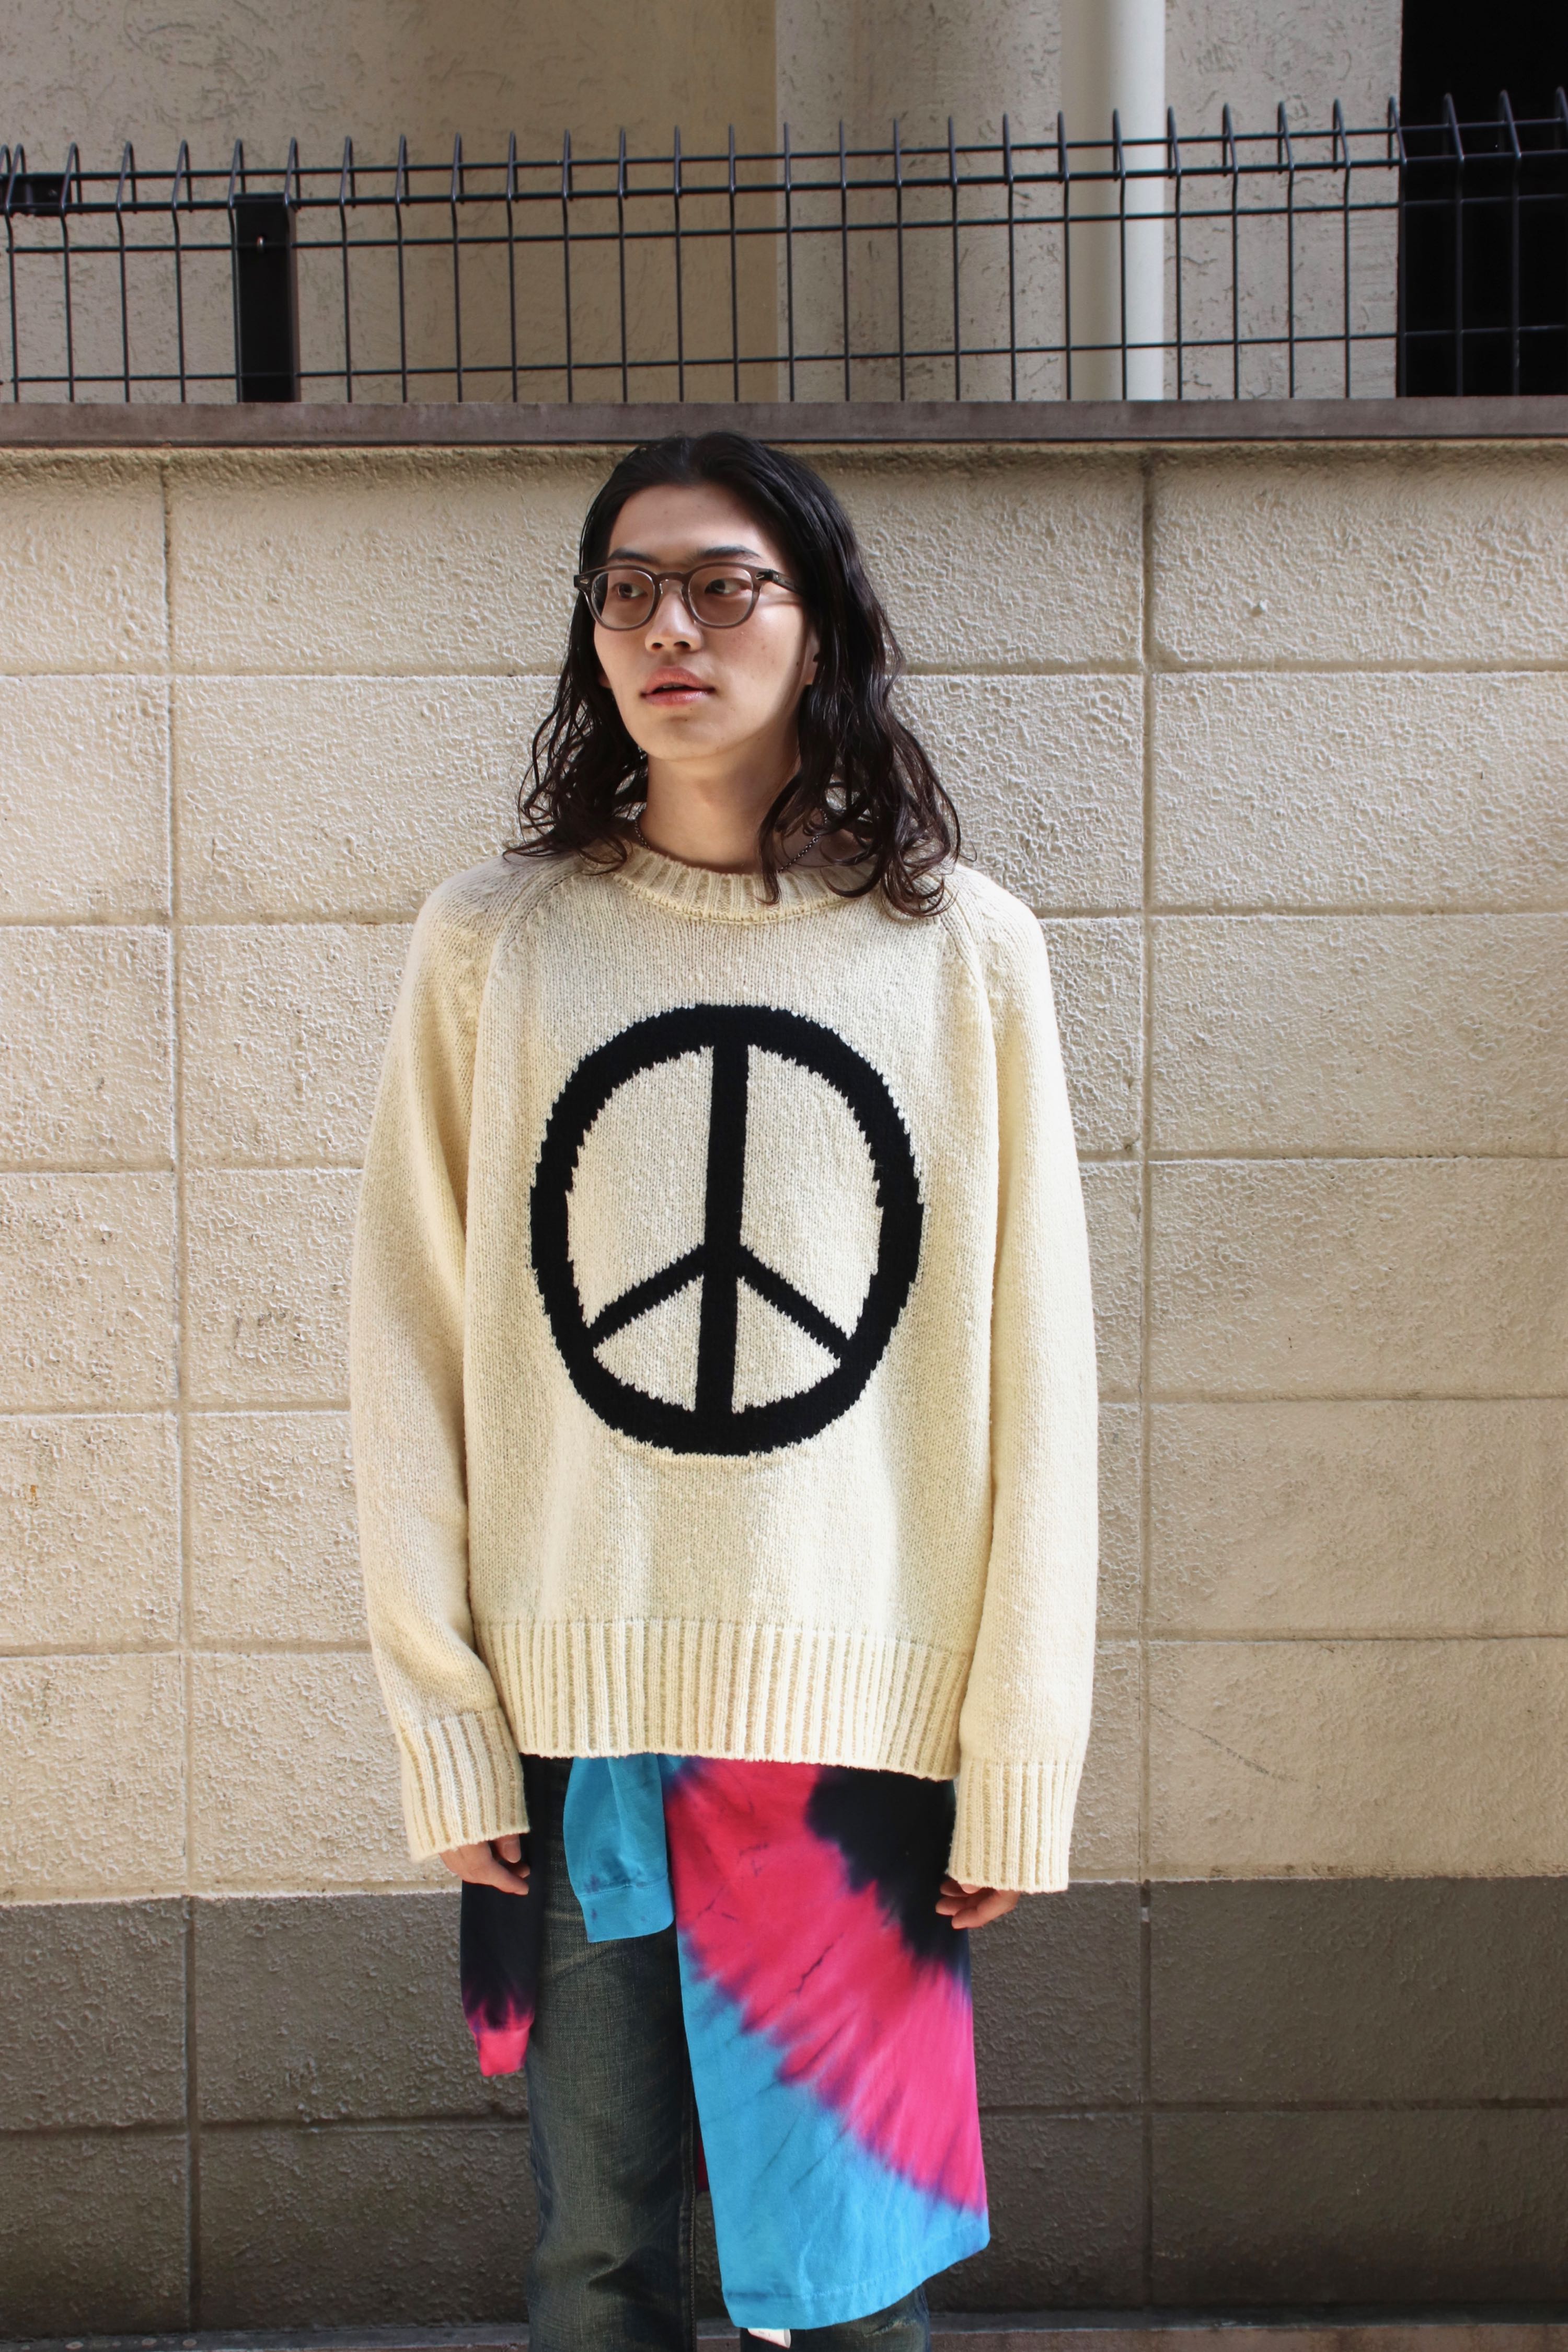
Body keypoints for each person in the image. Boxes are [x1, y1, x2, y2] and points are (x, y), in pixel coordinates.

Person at [350, 431, 1099, 2351]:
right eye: (627, 590)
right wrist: (445, 1720)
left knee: (854, 2289)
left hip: (858, 1738)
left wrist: (1017, 1751)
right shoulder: (493, 947)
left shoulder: (965, 956)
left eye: (720, 584)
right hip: (573, 1733)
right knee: (596, 2263)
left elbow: (1035, 1381)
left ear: (819, 621)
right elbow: (411, 1348)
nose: (667, 628)